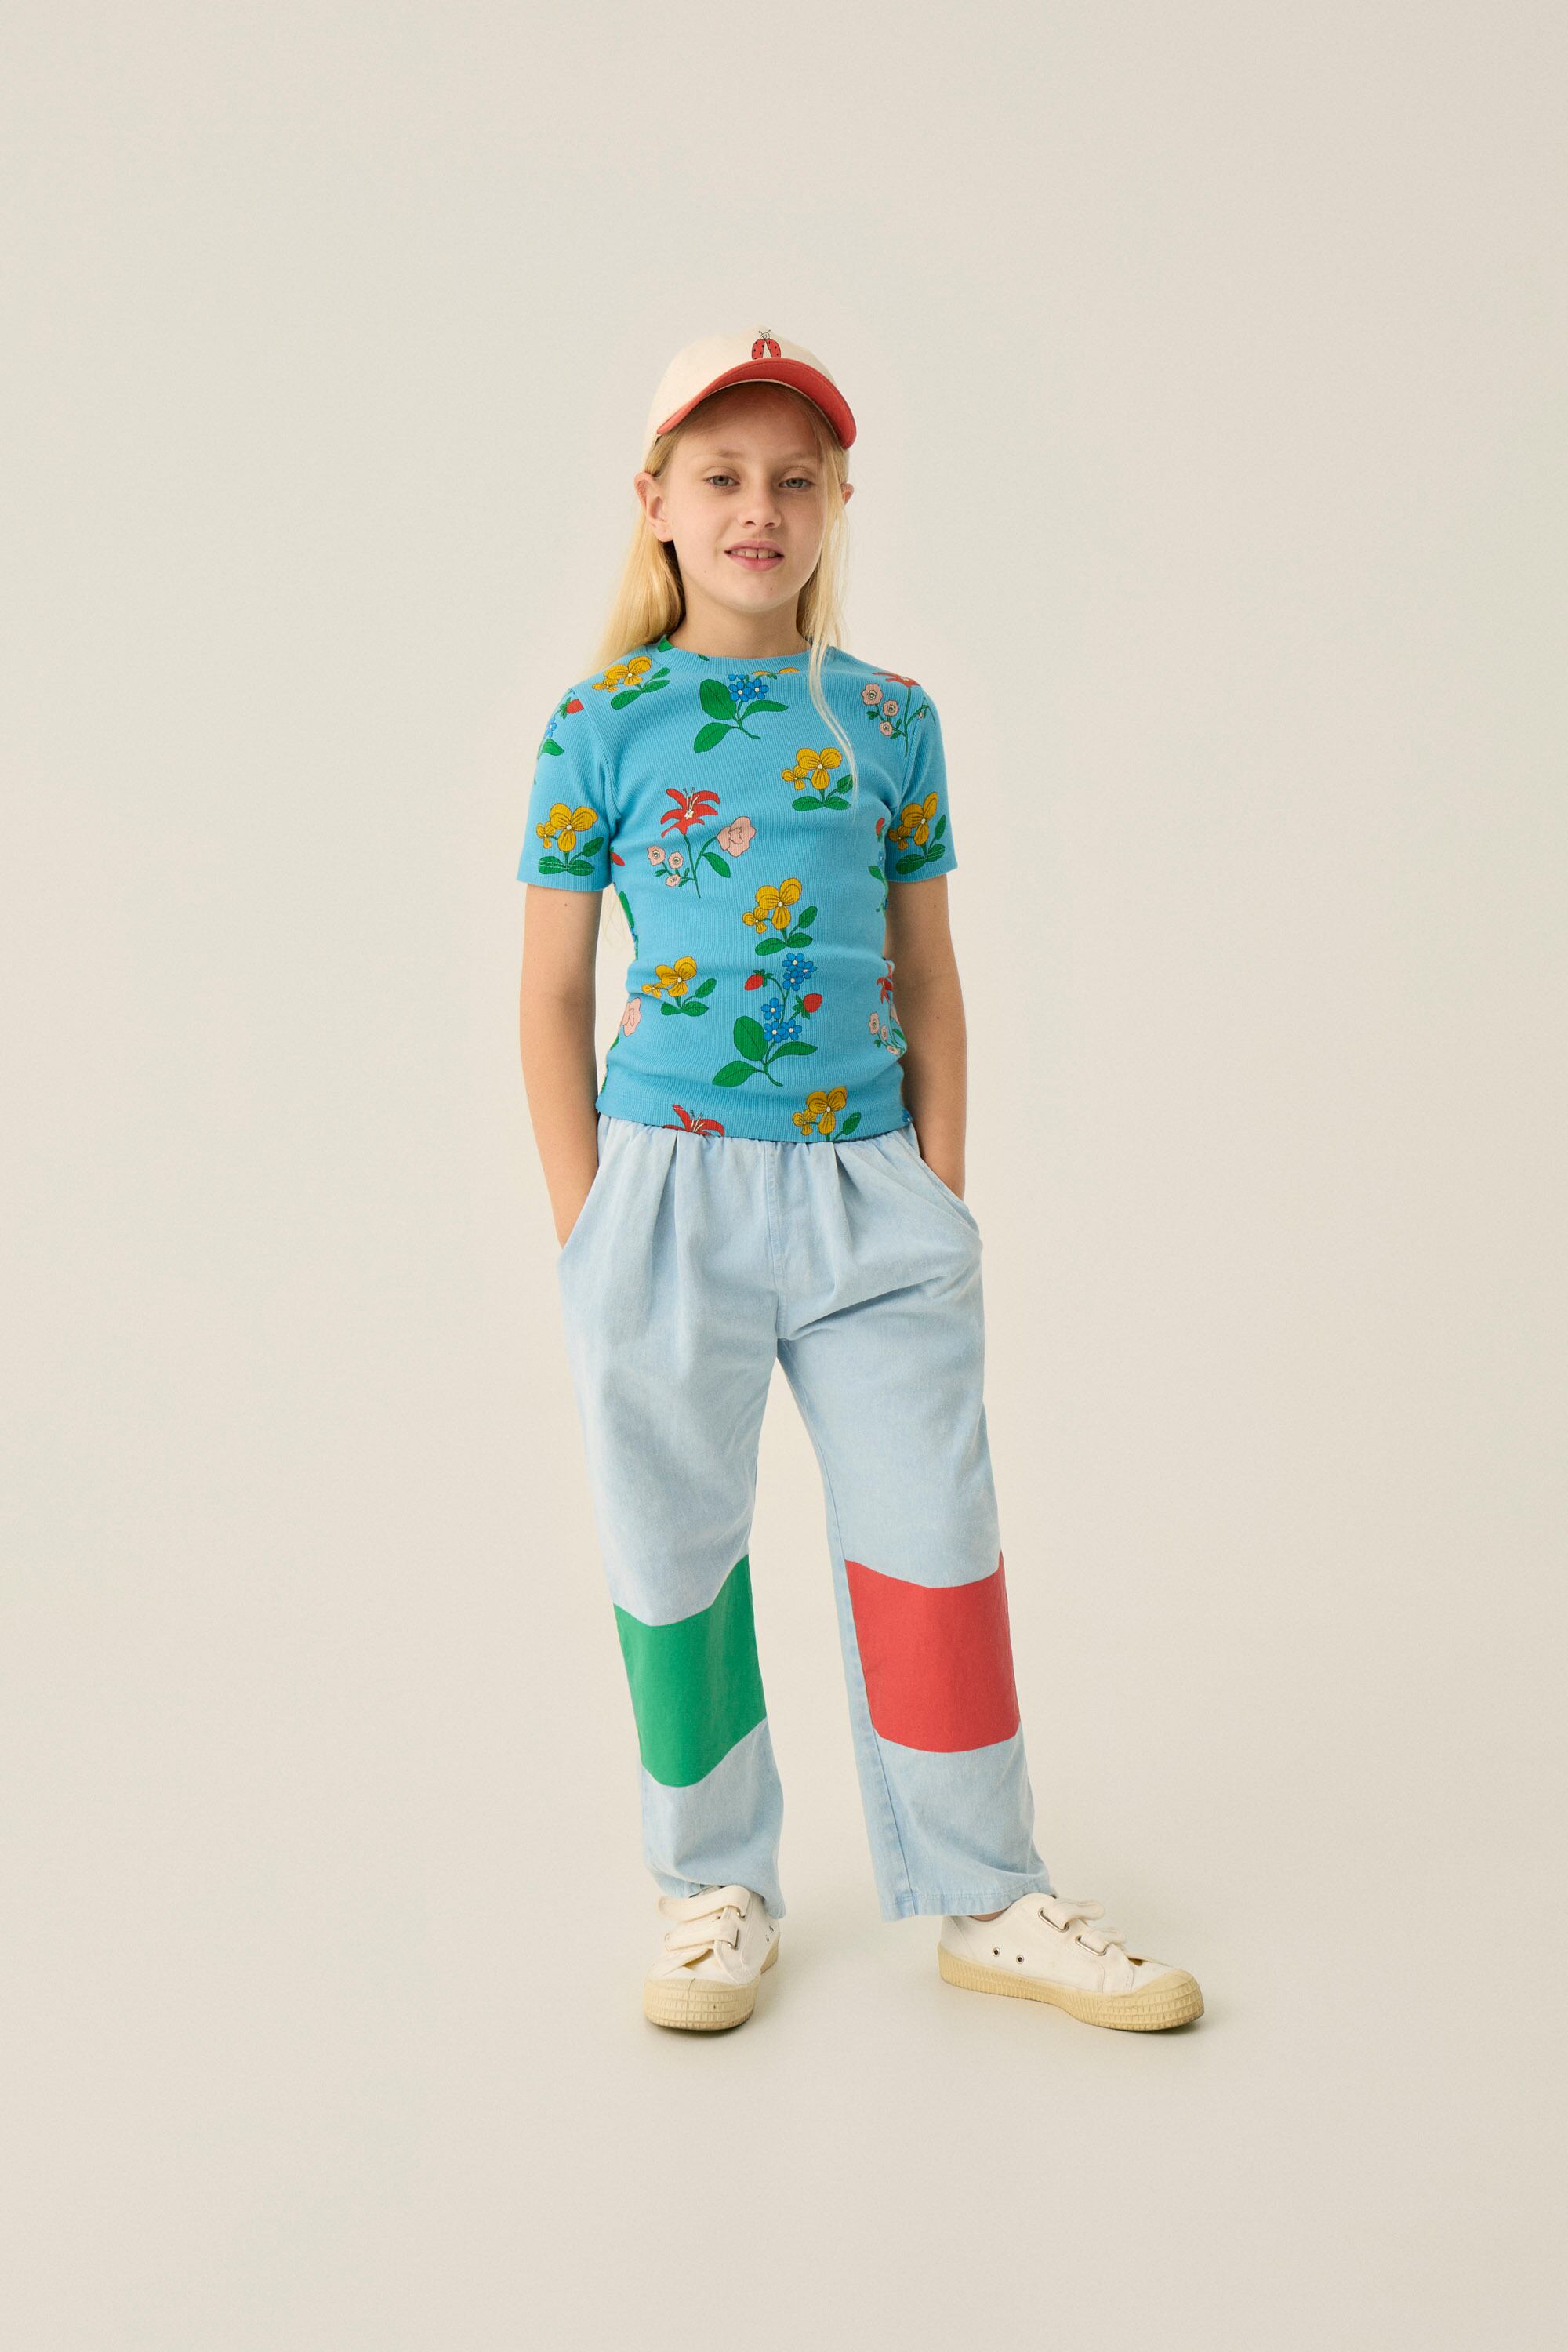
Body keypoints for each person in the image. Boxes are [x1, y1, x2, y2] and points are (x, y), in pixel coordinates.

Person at [517, 327, 1203, 2037]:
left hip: (870, 1198)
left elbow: (933, 975)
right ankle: (712, 1888)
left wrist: (937, 1191)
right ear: (657, 503)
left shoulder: (889, 718)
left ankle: (987, 1892)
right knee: (676, 1554)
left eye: (795, 479)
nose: (760, 507)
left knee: (932, 1545)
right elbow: (550, 992)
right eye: (723, 477)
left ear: (834, 504)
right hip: (665, 1194)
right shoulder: (600, 722)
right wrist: (590, 1221)